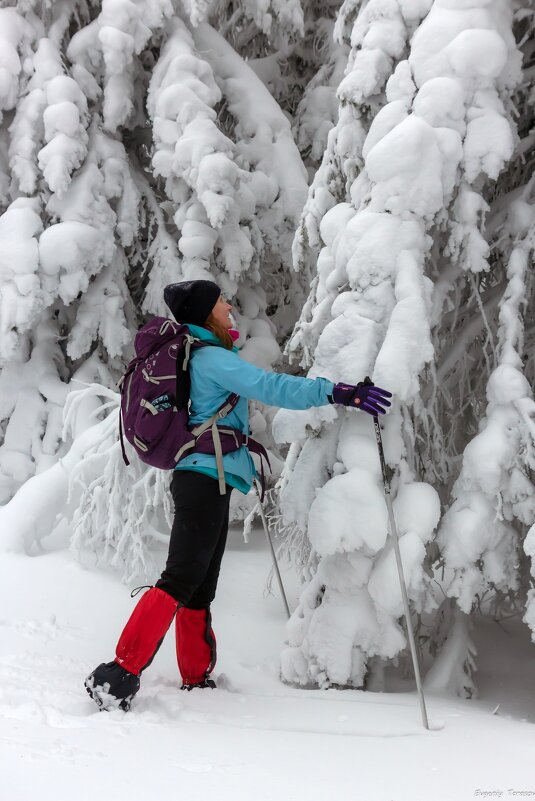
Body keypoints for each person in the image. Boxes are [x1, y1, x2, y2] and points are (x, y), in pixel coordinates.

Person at [84, 280, 392, 711]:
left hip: (209, 478)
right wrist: (338, 391)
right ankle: (118, 674)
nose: (229, 308)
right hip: (203, 479)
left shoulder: (205, 356)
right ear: (207, 312)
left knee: (199, 585)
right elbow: (271, 387)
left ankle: (195, 676)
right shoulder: (210, 358)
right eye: (221, 302)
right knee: (181, 577)